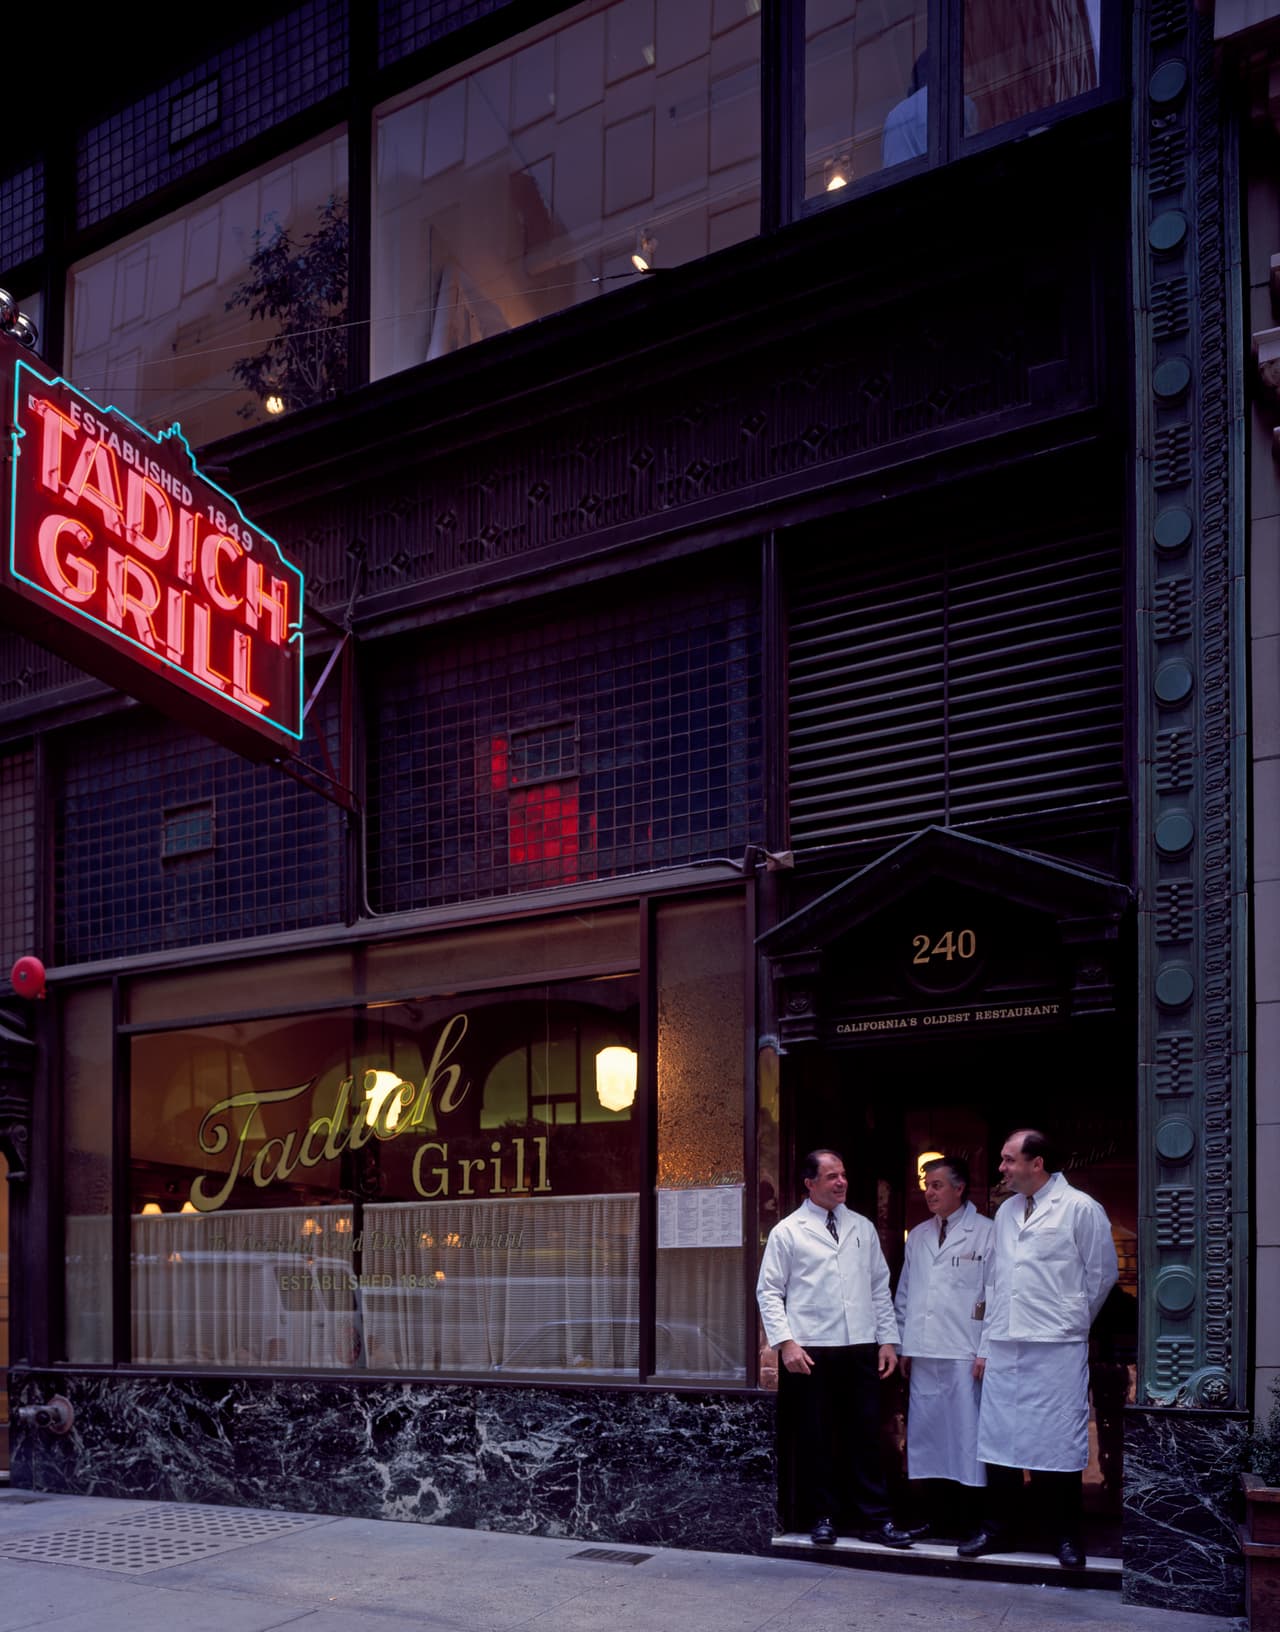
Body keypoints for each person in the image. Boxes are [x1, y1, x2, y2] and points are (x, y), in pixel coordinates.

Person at [959, 1129, 1118, 1568]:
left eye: (1008, 1160)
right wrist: (985, 1346)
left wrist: (1069, 1320)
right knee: (999, 1440)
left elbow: (1101, 1274)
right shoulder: (1007, 1212)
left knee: (1056, 1441)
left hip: (1055, 1345)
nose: (1002, 1168)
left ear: (1037, 1163)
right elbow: (995, 1282)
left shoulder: (1080, 1208)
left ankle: (1064, 1535)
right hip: (1005, 1343)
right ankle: (998, 1529)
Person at [756, 1148, 914, 1550]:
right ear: (810, 1183)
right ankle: (823, 1518)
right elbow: (769, 1291)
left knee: (866, 1435)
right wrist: (785, 1343)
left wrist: (888, 1340)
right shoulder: (788, 1231)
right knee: (818, 1436)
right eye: (831, 1177)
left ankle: (875, 1519)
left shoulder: (862, 1227)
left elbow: (879, 1288)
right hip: (811, 1350)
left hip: (859, 1346)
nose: (841, 1182)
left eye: (843, 1174)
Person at [894, 1156, 992, 1534]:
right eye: (927, 1186)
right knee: (929, 1436)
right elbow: (906, 1292)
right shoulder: (919, 1235)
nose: (929, 1193)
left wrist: (986, 1348)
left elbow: (995, 1295)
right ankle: (934, 1517)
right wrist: (904, 1345)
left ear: (959, 1188)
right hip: (924, 1350)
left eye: (937, 1185)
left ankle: (972, 1520)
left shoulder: (986, 1232)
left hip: (965, 1350)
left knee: (967, 1437)